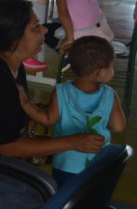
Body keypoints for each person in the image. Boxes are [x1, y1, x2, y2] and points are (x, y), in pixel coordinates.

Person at [0, 0, 105, 166]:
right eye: (36, 27)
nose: (44, 29)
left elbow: (11, 110)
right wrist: (73, 142)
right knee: (48, 187)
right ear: (14, 37)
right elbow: (8, 147)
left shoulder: (13, 64)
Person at [18, 36, 126, 187]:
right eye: (111, 66)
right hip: (99, 164)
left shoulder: (61, 91)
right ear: (100, 73)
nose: (112, 70)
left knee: (65, 202)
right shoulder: (110, 94)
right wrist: (114, 105)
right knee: (93, 200)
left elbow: (47, 120)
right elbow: (118, 127)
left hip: (66, 163)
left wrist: (25, 103)